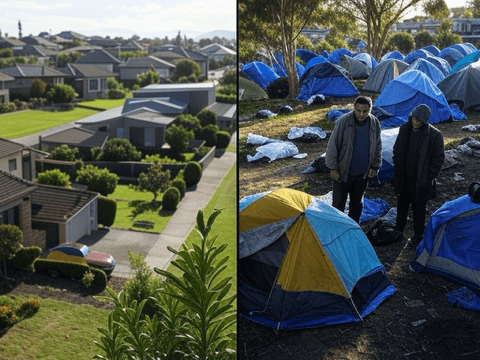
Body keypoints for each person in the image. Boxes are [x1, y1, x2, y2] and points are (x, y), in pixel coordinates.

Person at [393, 104, 445, 248]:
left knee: (419, 209)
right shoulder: (405, 130)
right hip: (404, 177)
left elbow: (438, 158)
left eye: (418, 120)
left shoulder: (434, 135)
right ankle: (398, 231)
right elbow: (396, 149)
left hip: (421, 180)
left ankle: (417, 236)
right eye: (414, 118)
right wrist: (397, 167)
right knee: (402, 206)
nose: (415, 122)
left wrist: (429, 176)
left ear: (425, 120)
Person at [325, 96, 382, 223]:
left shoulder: (374, 123)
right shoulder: (343, 122)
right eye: (358, 110)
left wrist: (375, 166)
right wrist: (333, 168)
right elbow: (333, 145)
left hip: (362, 173)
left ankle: (354, 228)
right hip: (343, 172)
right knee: (338, 204)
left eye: (365, 111)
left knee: (357, 204)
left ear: (370, 110)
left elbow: (377, 145)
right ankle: (338, 228)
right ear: (354, 109)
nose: (361, 114)